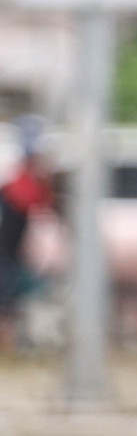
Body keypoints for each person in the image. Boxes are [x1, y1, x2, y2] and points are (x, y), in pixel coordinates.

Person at [0, 141, 56, 351]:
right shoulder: (21, 186)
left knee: (12, 297)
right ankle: (7, 342)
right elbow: (37, 202)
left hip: (12, 252)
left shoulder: (20, 185)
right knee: (8, 299)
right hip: (6, 253)